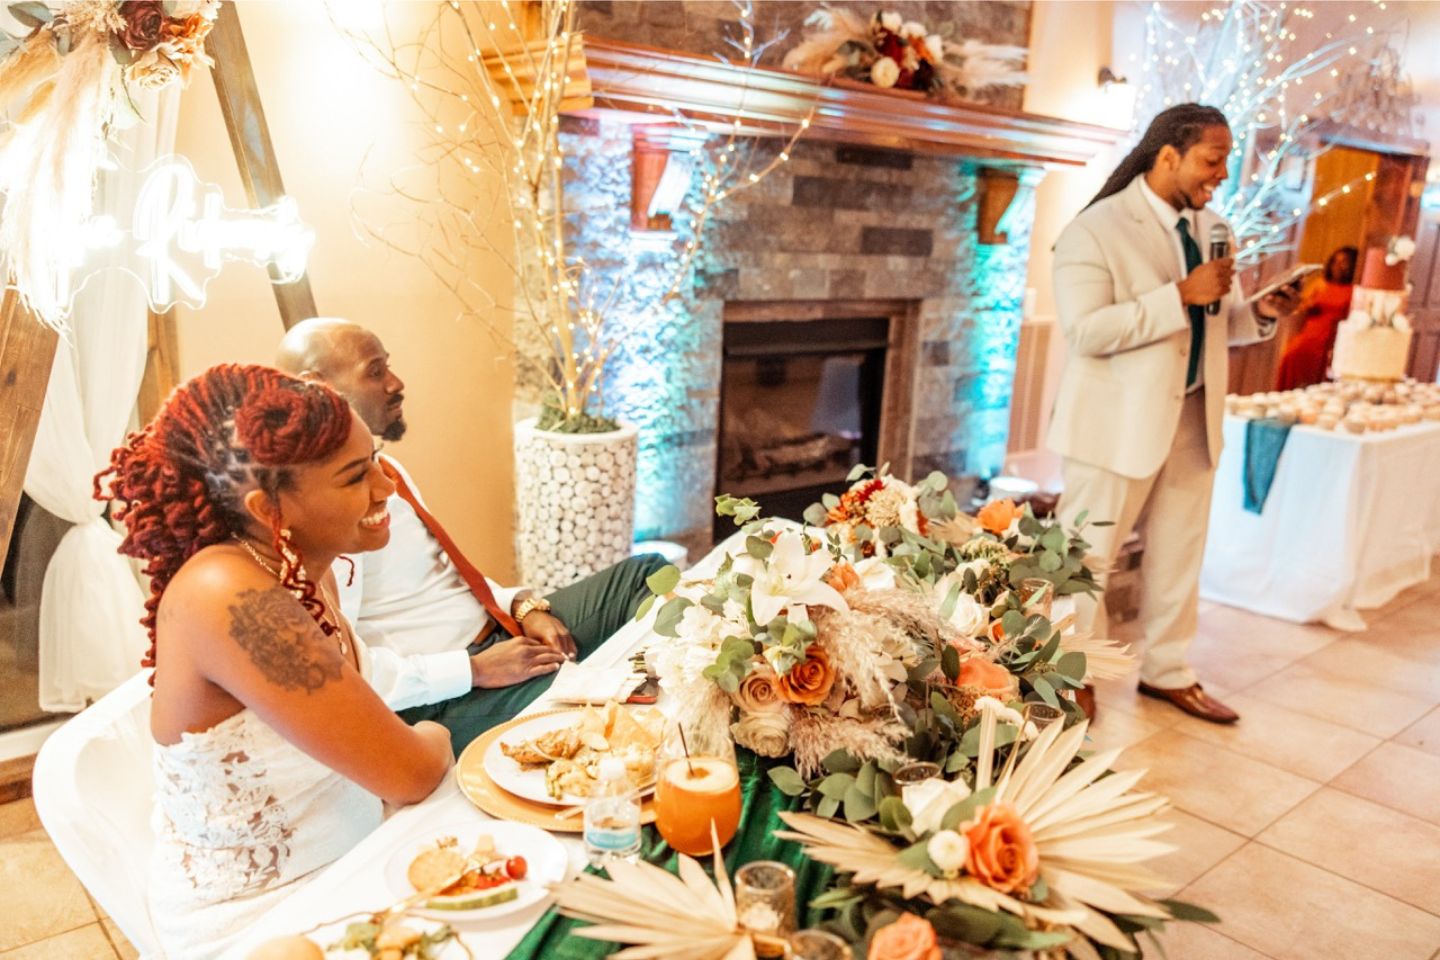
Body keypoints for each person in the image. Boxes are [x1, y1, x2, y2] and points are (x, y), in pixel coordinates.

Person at [96, 365, 453, 960]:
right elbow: (412, 775)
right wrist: (436, 734)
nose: (386, 486)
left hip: (358, 854)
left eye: (376, 458)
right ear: (270, 510)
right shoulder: (228, 597)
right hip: (265, 924)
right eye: (354, 476)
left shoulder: (301, 570)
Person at [275, 317, 665, 749]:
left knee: (648, 574)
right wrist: (472, 670)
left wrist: (521, 606)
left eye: (389, 367)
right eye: (375, 371)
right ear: (317, 386)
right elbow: (346, 667)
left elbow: (450, 575)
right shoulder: (323, 510)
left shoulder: (387, 470)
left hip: (496, 635)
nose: (395, 383)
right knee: (608, 710)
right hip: (443, 694)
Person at [1048, 104, 1298, 724]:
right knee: (1085, 559)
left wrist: (1261, 313)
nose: (1221, 173)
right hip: (1113, 423)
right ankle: (1072, 671)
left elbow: (1219, 325)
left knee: (1180, 551)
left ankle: (1167, 670)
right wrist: (1179, 295)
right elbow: (1085, 332)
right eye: (1213, 160)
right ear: (1169, 155)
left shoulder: (1215, 229)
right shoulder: (1094, 229)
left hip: (1192, 414)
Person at [1275, 246, 1358, 390]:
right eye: (1336, 262)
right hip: (1310, 334)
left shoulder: (1354, 290)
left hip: (1333, 338)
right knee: (1290, 355)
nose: (1339, 266)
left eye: (1344, 262)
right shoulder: (1320, 284)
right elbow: (1301, 307)